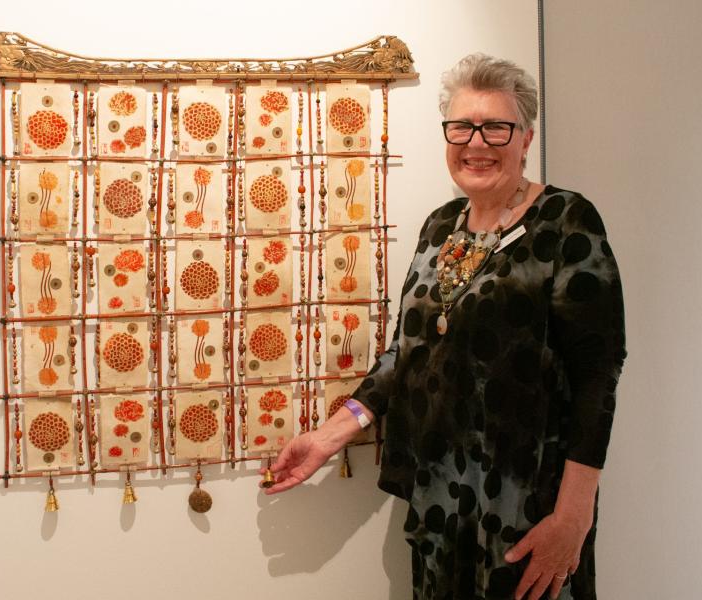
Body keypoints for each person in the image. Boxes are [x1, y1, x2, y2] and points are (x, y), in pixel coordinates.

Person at [263, 54, 626, 600]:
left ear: (525, 138)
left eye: (496, 127)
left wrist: (575, 516)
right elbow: (403, 356)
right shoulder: (439, 228)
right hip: (441, 503)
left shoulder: (567, 222)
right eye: (462, 126)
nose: (476, 142)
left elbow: (599, 375)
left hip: (525, 506)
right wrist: (329, 437)